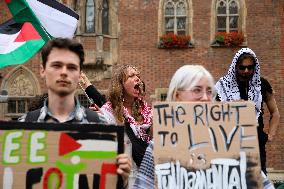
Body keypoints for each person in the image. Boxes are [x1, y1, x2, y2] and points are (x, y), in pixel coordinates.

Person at [133, 65, 275, 189]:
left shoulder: (233, 142)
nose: (206, 98)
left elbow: (263, 185)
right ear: (177, 96)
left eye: (209, 92)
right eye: (197, 90)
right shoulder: (159, 145)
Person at [19, 38, 131, 188]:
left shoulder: (101, 127)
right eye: (57, 65)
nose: (64, 72)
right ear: (42, 70)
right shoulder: (20, 128)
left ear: (79, 75)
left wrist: (121, 181)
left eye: (71, 67)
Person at [215, 48, 280, 175]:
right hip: (229, 145)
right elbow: (213, 113)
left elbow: (275, 113)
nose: (246, 71)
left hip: (256, 145)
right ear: (235, 67)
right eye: (242, 67)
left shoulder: (261, 84)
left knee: (257, 182)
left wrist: (270, 135)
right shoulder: (223, 85)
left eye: (250, 67)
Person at [99, 65, 153, 187]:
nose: (137, 79)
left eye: (138, 76)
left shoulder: (147, 110)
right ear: (120, 84)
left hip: (148, 177)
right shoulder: (108, 112)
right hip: (125, 176)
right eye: (131, 76)